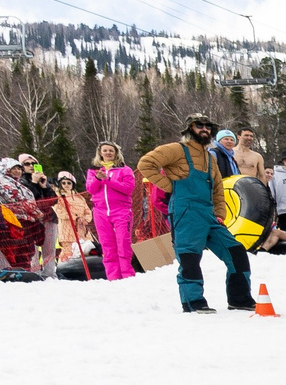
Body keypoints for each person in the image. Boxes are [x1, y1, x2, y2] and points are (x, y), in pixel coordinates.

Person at [136, 112, 255, 312]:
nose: (204, 129)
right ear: (189, 128)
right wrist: (171, 187)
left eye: (207, 126)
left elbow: (217, 188)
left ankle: (239, 299)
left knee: (236, 251)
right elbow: (145, 164)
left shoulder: (210, 157)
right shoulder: (176, 149)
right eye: (199, 125)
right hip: (185, 212)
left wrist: (220, 213)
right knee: (190, 257)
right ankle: (193, 302)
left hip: (208, 214)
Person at [85, 142, 138, 279]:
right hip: (100, 211)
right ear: (100, 152)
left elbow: (128, 188)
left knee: (123, 243)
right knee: (107, 246)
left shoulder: (124, 170)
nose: (108, 153)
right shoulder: (93, 170)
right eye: (105, 150)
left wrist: (107, 179)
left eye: (111, 150)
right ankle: (113, 277)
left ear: (116, 153)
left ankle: (127, 275)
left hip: (121, 210)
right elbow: (90, 189)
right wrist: (98, 178)